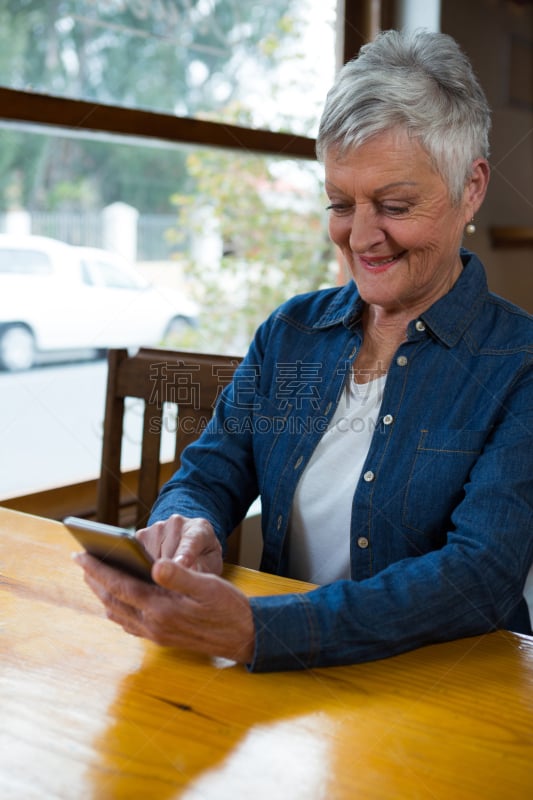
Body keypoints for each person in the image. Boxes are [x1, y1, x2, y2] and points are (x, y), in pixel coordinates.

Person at [76, 28, 533, 672]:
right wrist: (193, 528)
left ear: (472, 188)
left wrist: (262, 631)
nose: (363, 236)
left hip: (447, 696)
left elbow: (480, 576)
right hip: (290, 691)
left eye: (395, 205)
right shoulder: (292, 332)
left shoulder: (519, 363)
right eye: (341, 203)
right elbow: (207, 475)